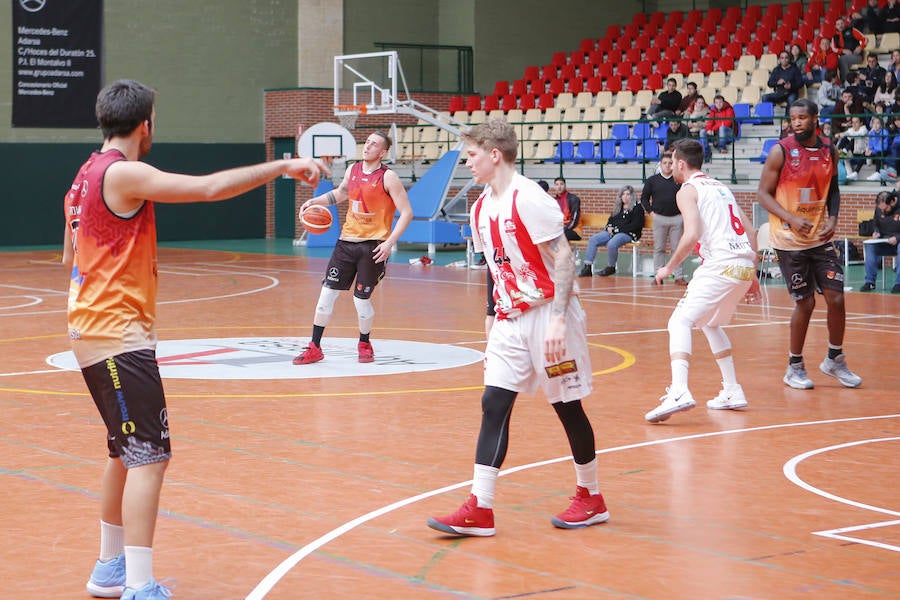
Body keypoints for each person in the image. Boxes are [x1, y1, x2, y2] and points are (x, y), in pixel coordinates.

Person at [63, 79, 327, 600]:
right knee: (148, 456)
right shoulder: (125, 172)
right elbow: (208, 189)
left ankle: (110, 566)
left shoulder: (83, 176)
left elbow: (71, 258)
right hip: (116, 334)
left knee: (123, 451)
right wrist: (282, 166)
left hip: (92, 328)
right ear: (146, 125)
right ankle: (138, 584)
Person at [427, 117, 609, 536]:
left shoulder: (530, 198)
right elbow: (496, 268)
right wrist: (491, 315)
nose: (466, 163)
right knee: (493, 403)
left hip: (549, 314)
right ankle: (480, 507)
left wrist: (560, 320)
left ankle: (591, 496)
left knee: (566, 407)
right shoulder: (478, 208)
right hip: (510, 319)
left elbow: (564, 260)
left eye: (471, 155)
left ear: (494, 154)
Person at [645, 138, 759, 423]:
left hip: (720, 265)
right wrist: (752, 273)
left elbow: (692, 233)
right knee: (710, 323)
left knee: (679, 322)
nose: (671, 168)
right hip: (742, 264)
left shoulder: (687, 190)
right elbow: (750, 231)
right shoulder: (721, 187)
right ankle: (732, 390)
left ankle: (680, 391)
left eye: (673, 163)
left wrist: (668, 267)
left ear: (681, 164)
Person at [756, 98, 863, 390]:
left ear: (816, 119)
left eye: (803, 117)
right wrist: (789, 217)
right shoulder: (781, 151)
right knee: (805, 303)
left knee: (837, 298)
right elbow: (762, 195)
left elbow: (834, 190)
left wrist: (833, 218)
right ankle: (795, 366)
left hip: (819, 237)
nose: (797, 122)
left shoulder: (830, 151)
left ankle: (834, 358)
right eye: (793, 118)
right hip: (789, 241)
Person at [292, 131, 413, 365]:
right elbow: (341, 193)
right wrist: (316, 201)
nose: (367, 146)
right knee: (326, 295)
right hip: (346, 244)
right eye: (367, 142)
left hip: (373, 247)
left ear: (383, 152)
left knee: (361, 300)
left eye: (374, 144)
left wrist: (389, 243)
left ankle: (364, 342)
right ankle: (315, 347)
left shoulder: (388, 178)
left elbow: (407, 213)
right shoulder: (352, 170)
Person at [640, 152, 687, 285]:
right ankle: (658, 276)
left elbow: (686, 196)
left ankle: (679, 276)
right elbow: (644, 198)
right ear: (660, 164)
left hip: (677, 219)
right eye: (665, 163)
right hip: (659, 218)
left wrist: (683, 213)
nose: (667, 166)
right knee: (659, 248)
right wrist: (651, 212)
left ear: (674, 165)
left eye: (670, 163)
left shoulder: (679, 180)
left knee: (677, 249)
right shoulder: (652, 180)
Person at [577, 185, 644, 277]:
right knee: (593, 239)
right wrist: (608, 227)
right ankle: (587, 267)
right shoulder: (618, 207)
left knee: (612, 243)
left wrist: (617, 230)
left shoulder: (637, 207)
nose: (625, 196)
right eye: (623, 194)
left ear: (632, 196)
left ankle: (611, 267)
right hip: (614, 232)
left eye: (628, 194)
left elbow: (636, 225)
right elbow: (611, 220)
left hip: (628, 233)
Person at [860, 190, 900, 292]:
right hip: (884, 240)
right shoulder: (879, 209)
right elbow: (875, 223)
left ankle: (898, 283)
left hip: (897, 240)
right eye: (881, 209)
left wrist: (897, 238)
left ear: (892, 202)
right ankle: (870, 282)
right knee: (870, 247)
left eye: (885, 209)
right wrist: (876, 232)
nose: (883, 211)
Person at [833, 17, 867, 84]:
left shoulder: (852, 30)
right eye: (838, 24)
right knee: (839, 61)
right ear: (835, 26)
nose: (840, 25)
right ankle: (850, 81)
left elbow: (865, 39)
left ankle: (846, 82)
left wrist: (861, 47)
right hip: (844, 58)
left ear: (844, 23)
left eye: (842, 23)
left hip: (856, 56)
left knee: (842, 59)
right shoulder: (835, 36)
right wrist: (843, 51)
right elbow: (834, 49)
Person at [836, 115, 869, 180]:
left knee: (853, 138)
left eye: (856, 122)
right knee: (845, 139)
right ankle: (850, 174)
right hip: (853, 153)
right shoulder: (851, 130)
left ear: (861, 123)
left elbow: (859, 134)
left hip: (863, 153)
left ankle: (844, 151)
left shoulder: (864, 129)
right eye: (853, 122)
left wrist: (846, 134)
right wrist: (839, 134)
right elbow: (845, 133)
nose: (854, 124)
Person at [553, 176, 582, 241]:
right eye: (557, 184)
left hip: (574, 230)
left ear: (565, 185)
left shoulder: (574, 199)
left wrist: (563, 229)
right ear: (554, 187)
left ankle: (561, 251)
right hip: (560, 229)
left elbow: (574, 220)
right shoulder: (554, 201)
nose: (559, 187)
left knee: (560, 235)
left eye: (561, 184)